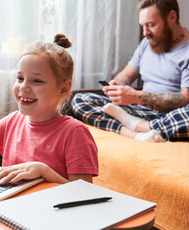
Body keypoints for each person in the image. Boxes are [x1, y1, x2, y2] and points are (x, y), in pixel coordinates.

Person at [0, 34, 98, 185]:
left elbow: (85, 194)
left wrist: (44, 172)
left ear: (64, 89)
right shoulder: (12, 121)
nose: (24, 86)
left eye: (37, 81)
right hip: (10, 204)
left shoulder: (75, 133)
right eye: (20, 78)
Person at [71, 0, 189, 142]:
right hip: (139, 110)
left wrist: (136, 97)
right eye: (143, 26)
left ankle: (143, 126)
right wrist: (118, 84)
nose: (145, 33)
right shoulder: (148, 43)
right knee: (80, 100)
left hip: (171, 115)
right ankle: (136, 133)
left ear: (172, 17)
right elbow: (126, 74)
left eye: (151, 25)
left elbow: (184, 99)